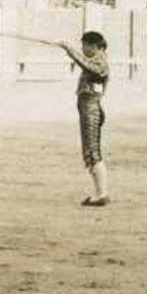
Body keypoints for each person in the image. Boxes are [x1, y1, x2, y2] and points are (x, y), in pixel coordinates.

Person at [47, 31, 112, 206]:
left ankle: (102, 193)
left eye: (85, 45)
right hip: (89, 109)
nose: (83, 49)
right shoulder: (99, 60)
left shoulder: (100, 63)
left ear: (95, 46)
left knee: (92, 152)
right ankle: (100, 192)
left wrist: (68, 48)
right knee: (90, 152)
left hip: (91, 110)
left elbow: (87, 66)